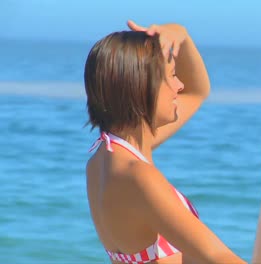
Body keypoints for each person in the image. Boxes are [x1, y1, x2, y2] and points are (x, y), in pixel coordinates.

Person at [84, 20, 247, 264]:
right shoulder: (137, 177)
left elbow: (197, 91)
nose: (179, 86)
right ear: (140, 86)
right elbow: (216, 256)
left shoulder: (103, 160)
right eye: (171, 76)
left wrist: (181, 34)